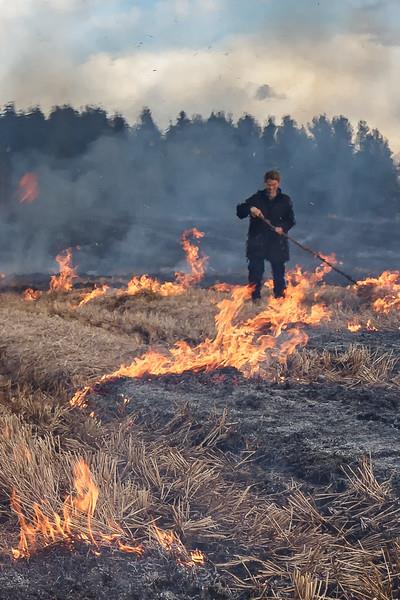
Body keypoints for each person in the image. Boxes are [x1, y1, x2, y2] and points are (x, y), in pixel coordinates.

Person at [236, 170, 295, 301]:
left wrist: (282, 228)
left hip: (276, 241)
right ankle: (255, 296)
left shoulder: (285, 200)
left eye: (273, 185)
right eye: (268, 185)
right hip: (258, 240)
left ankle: (280, 297)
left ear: (278, 183)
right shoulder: (257, 198)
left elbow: (291, 220)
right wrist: (250, 209)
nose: (270, 188)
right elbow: (240, 211)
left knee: (279, 272)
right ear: (265, 183)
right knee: (255, 271)